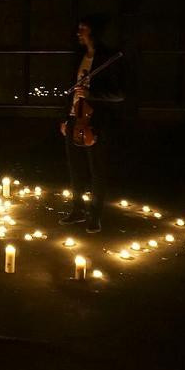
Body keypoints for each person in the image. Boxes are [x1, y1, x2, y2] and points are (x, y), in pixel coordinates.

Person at [59, 15, 124, 233]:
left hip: (95, 123)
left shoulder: (107, 58)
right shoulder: (79, 57)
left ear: (93, 31)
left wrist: (91, 93)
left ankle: (95, 215)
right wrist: (65, 118)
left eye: (83, 29)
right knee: (75, 168)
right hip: (73, 118)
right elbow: (71, 90)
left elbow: (118, 94)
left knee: (96, 170)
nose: (78, 33)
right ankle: (77, 210)